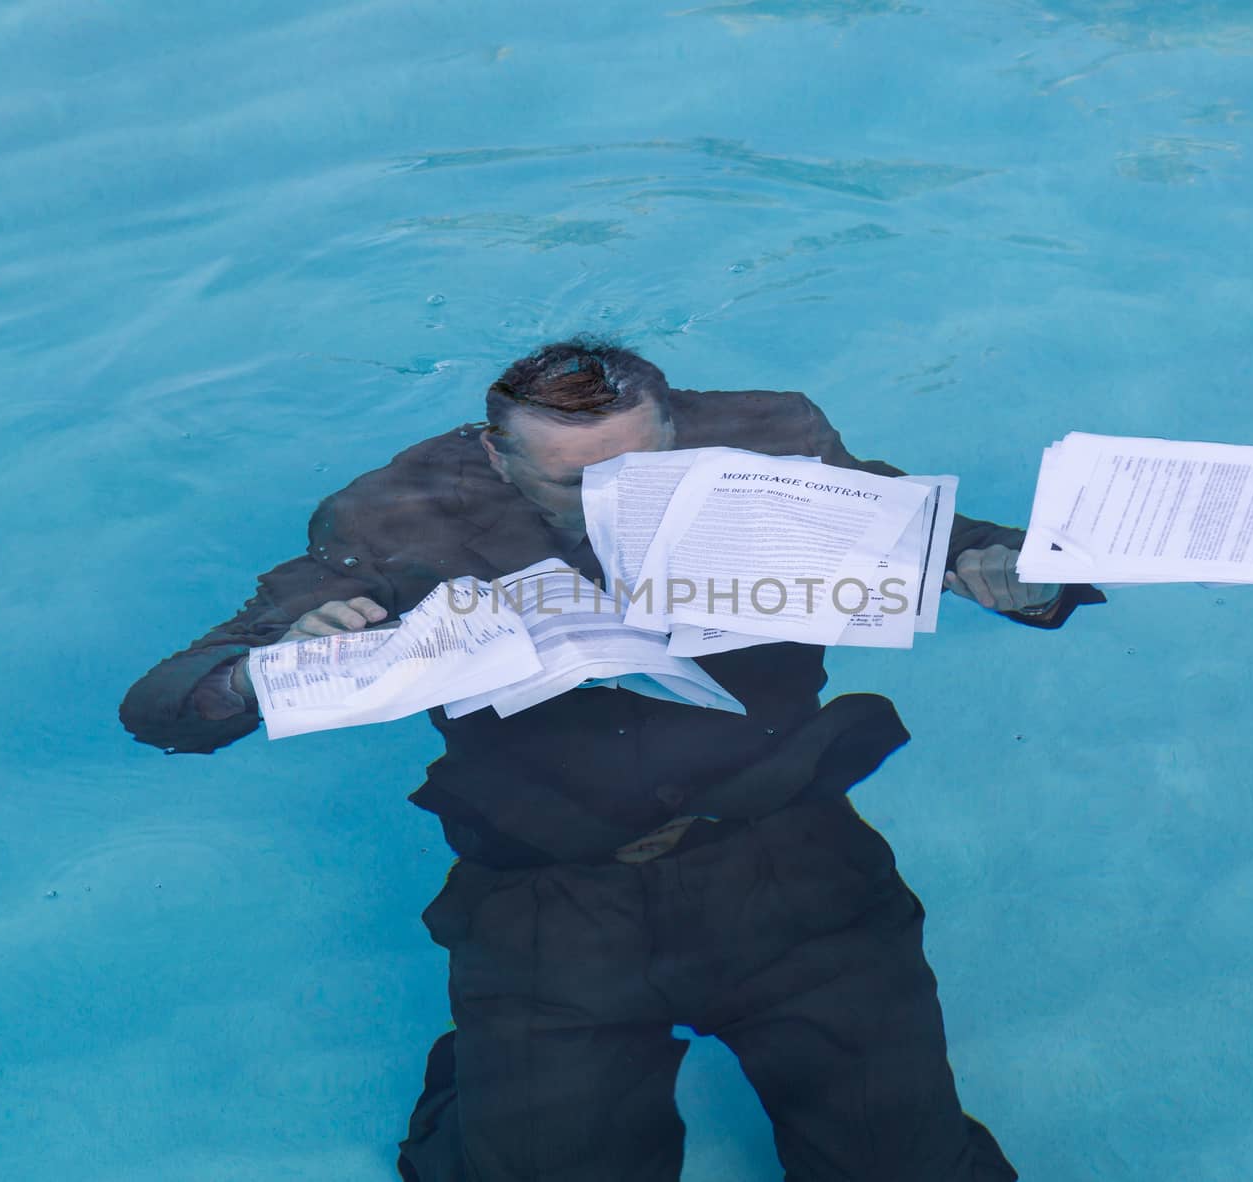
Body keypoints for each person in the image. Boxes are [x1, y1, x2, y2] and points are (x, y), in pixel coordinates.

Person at [121, 339, 1103, 1181]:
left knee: (907, 1168)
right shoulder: (396, 518)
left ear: (674, 429)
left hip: (788, 858)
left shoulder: (772, 443)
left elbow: (959, 544)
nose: (611, 502)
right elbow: (169, 705)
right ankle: (482, 1073)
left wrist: (1006, 575)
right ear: (496, 458)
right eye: (573, 482)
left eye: (639, 470)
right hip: (552, 896)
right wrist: (266, 670)